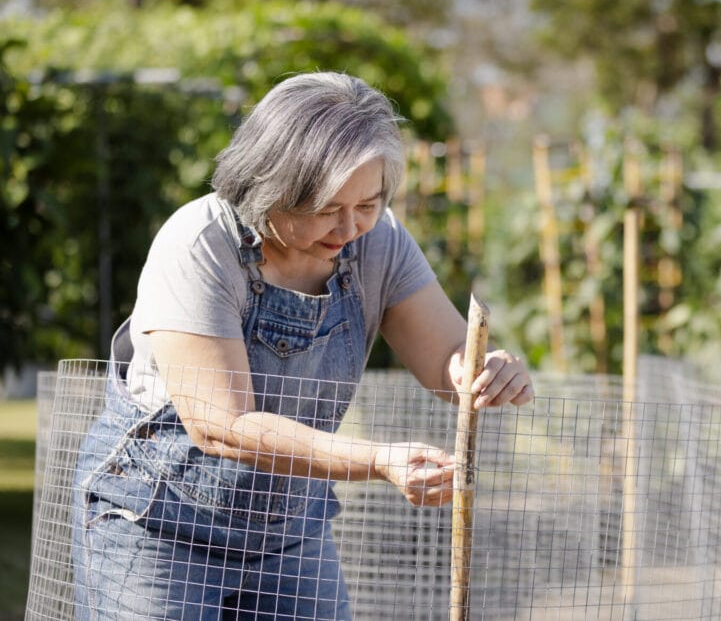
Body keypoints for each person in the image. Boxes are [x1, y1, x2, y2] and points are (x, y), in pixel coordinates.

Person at [70, 71, 534, 620]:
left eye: (368, 202)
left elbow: (445, 356)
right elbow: (223, 424)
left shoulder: (376, 240)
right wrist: (379, 460)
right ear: (270, 182)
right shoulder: (200, 246)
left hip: (287, 528)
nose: (350, 227)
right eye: (325, 207)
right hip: (157, 526)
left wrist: (482, 372)